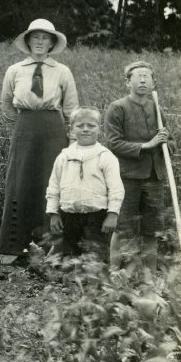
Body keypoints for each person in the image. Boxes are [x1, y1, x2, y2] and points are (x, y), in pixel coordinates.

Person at [0, 18, 79, 262]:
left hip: (53, 130)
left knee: (51, 182)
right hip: (25, 128)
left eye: (45, 37)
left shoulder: (62, 71)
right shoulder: (15, 70)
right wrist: (24, 126)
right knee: (20, 182)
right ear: (28, 41)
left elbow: (72, 108)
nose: (40, 42)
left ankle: (51, 248)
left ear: (52, 42)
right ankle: (14, 247)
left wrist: (72, 138)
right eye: (36, 37)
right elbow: (6, 105)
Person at [103, 61, 171, 276]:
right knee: (122, 228)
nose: (143, 80)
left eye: (147, 76)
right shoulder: (118, 108)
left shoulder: (157, 109)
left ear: (153, 82)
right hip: (127, 178)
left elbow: (172, 143)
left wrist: (166, 142)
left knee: (151, 230)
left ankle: (150, 277)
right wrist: (147, 145)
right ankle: (114, 275)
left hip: (154, 178)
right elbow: (113, 143)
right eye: (138, 76)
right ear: (128, 82)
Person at [45, 108, 124, 260]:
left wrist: (113, 214)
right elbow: (53, 186)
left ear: (100, 129)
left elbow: (116, 189)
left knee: (94, 257)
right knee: (68, 256)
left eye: (91, 125)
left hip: (97, 217)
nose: (85, 129)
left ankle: (94, 283)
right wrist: (53, 213)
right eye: (80, 126)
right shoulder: (64, 156)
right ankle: (69, 283)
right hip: (68, 216)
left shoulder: (106, 157)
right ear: (72, 130)